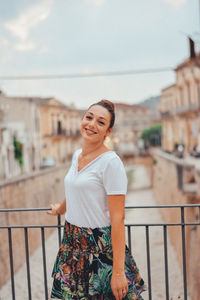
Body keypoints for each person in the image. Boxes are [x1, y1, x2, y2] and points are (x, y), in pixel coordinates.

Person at [47, 99, 146, 300]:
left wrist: (118, 273)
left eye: (101, 122)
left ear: (108, 131)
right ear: (82, 120)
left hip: (98, 248)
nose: (91, 124)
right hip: (72, 243)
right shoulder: (77, 156)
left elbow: (118, 218)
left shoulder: (111, 163)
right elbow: (75, 189)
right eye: (89, 117)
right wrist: (60, 209)